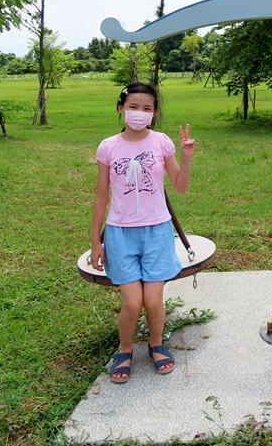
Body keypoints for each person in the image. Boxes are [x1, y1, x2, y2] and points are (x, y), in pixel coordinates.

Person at [90, 82, 196, 383]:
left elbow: (180, 186)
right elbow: (100, 195)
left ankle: (155, 343)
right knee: (132, 303)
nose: (139, 113)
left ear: (154, 113)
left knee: (152, 301)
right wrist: (95, 241)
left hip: (157, 231)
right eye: (133, 107)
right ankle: (125, 348)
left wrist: (186, 159)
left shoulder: (161, 142)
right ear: (121, 108)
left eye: (147, 108)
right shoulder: (108, 146)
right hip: (119, 233)